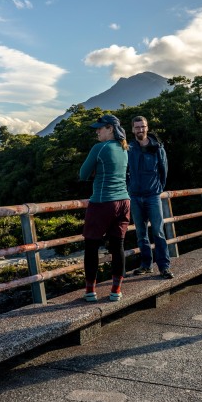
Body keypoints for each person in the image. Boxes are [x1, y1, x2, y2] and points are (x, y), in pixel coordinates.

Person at [79, 114, 130, 302]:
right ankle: (116, 291)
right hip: (124, 202)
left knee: (91, 247)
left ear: (110, 128)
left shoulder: (99, 148)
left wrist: (95, 170)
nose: (97, 131)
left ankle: (90, 291)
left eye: (100, 128)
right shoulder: (125, 148)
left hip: (102, 202)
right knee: (118, 247)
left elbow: (83, 174)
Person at [127, 116, 173, 279]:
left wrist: (158, 188)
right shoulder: (129, 148)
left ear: (147, 128)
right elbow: (126, 171)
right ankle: (146, 265)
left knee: (158, 231)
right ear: (133, 129)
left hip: (153, 195)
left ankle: (164, 266)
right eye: (137, 127)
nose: (140, 129)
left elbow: (163, 170)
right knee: (141, 233)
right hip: (135, 195)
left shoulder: (157, 147)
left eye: (143, 126)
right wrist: (129, 189)